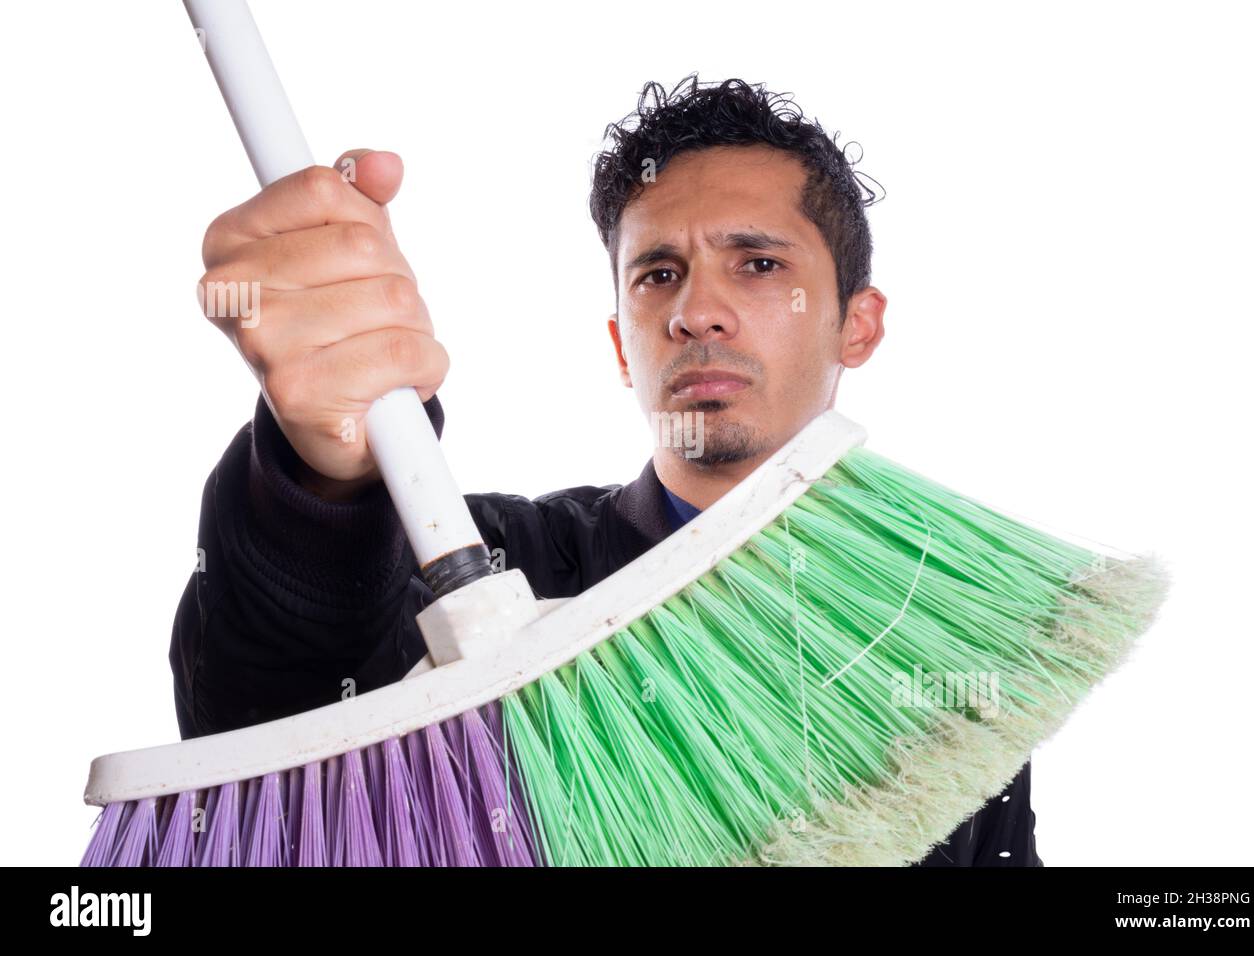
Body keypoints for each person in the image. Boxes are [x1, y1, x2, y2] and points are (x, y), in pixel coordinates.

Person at [174, 74, 1040, 866]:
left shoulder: (932, 635)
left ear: (859, 323)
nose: (698, 312)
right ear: (624, 343)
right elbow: (276, 715)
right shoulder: (494, 564)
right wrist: (326, 481)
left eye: (760, 264)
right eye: (659, 274)